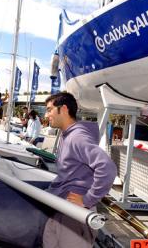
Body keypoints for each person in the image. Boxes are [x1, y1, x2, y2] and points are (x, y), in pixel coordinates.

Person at [42, 92, 117, 248]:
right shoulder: (67, 135)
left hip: (74, 215)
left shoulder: (77, 137)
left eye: (49, 109)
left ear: (63, 109)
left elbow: (107, 168)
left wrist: (87, 199)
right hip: (62, 208)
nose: (46, 114)